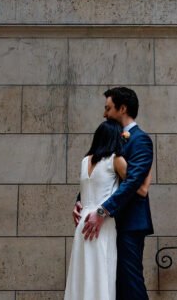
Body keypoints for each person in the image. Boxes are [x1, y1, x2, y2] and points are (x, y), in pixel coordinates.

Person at [74, 87, 154, 300]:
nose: (104, 114)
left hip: (129, 223)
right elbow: (101, 175)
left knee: (130, 283)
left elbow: (133, 183)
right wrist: (81, 200)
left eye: (108, 108)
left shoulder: (141, 140)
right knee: (109, 284)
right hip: (108, 225)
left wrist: (103, 210)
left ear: (123, 108)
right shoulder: (112, 138)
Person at [64, 119, 125, 300]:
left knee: (82, 272)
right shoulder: (115, 160)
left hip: (83, 220)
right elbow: (133, 184)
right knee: (102, 270)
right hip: (102, 221)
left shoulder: (85, 161)